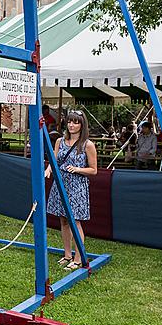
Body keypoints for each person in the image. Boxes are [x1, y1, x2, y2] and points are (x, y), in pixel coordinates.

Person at [45, 110, 97, 270]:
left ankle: (78, 257)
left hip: (77, 187)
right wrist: (48, 169)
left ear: (82, 125)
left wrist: (77, 169)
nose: (72, 125)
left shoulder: (87, 145)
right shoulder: (60, 141)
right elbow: (54, 160)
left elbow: (94, 170)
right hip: (60, 184)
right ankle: (67, 254)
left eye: (75, 122)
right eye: (69, 122)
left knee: (75, 221)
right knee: (63, 219)